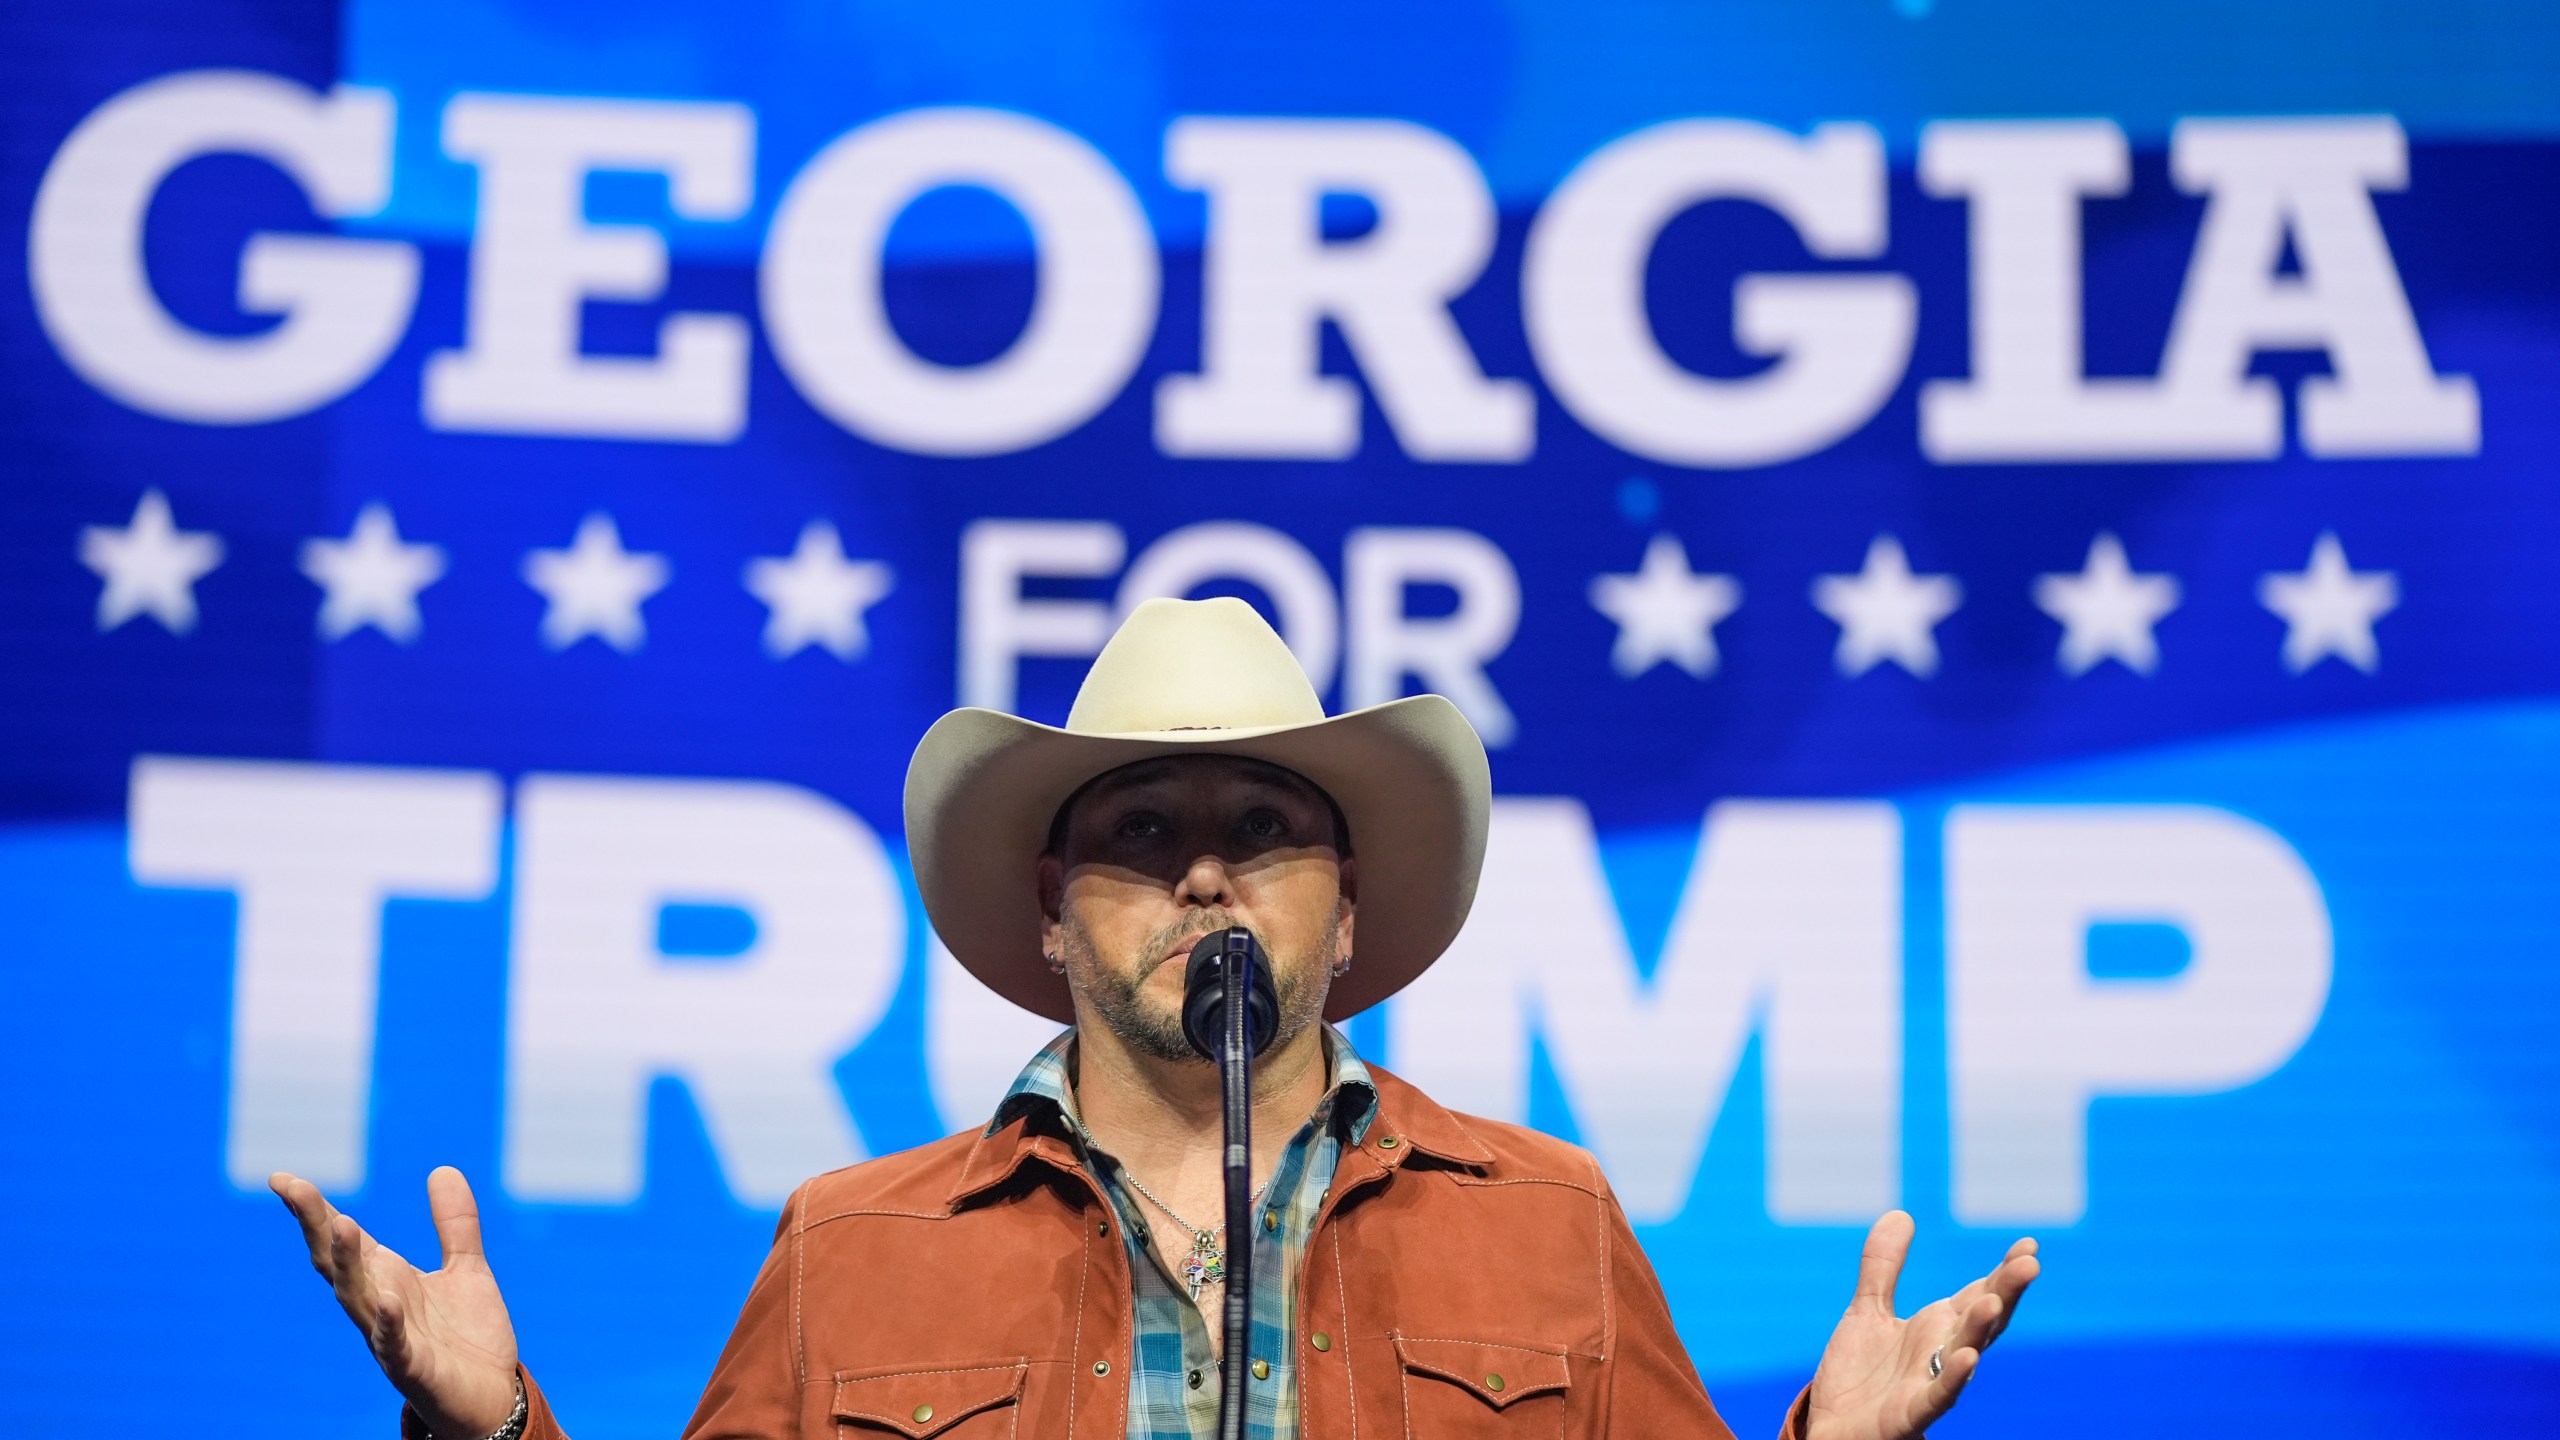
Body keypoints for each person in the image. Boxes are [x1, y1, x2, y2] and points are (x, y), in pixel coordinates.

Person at [273, 596, 2039, 1440]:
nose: (1207, 878)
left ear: (1347, 911)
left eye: (1264, 832)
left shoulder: (1551, 1223)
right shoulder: (850, 1248)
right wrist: (487, 1430)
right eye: (1140, 836)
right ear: (1050, 913)